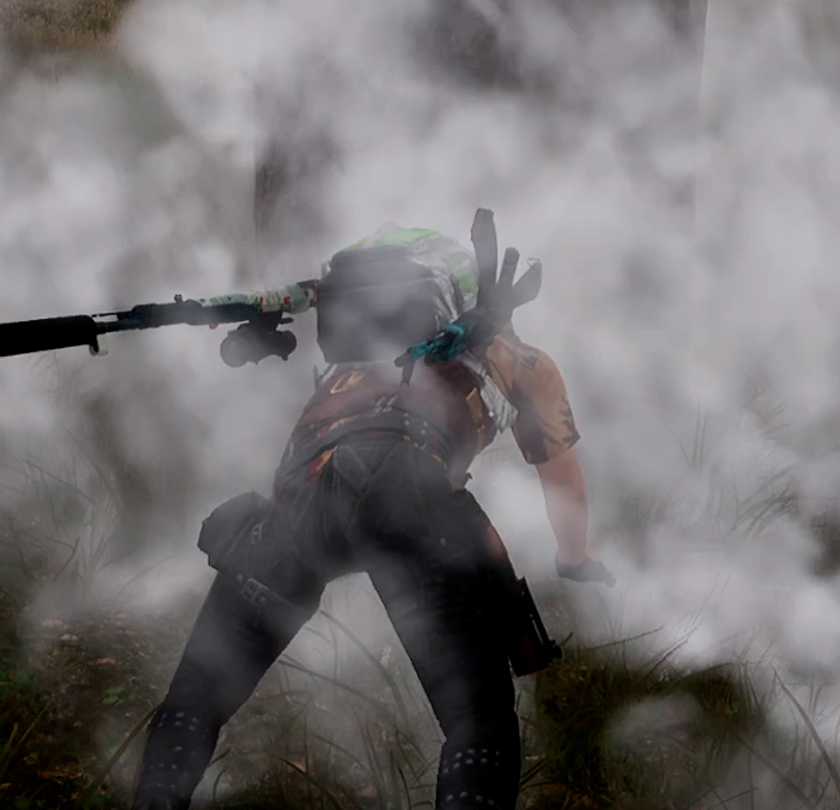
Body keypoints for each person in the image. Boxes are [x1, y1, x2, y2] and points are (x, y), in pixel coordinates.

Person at [131, 221, 613, 810]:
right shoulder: (524, 363)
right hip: (413, 503)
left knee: (195, 700)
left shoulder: (353, 356)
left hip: (303, 501)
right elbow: (563, 481)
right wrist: (574, 555)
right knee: (479, 724)